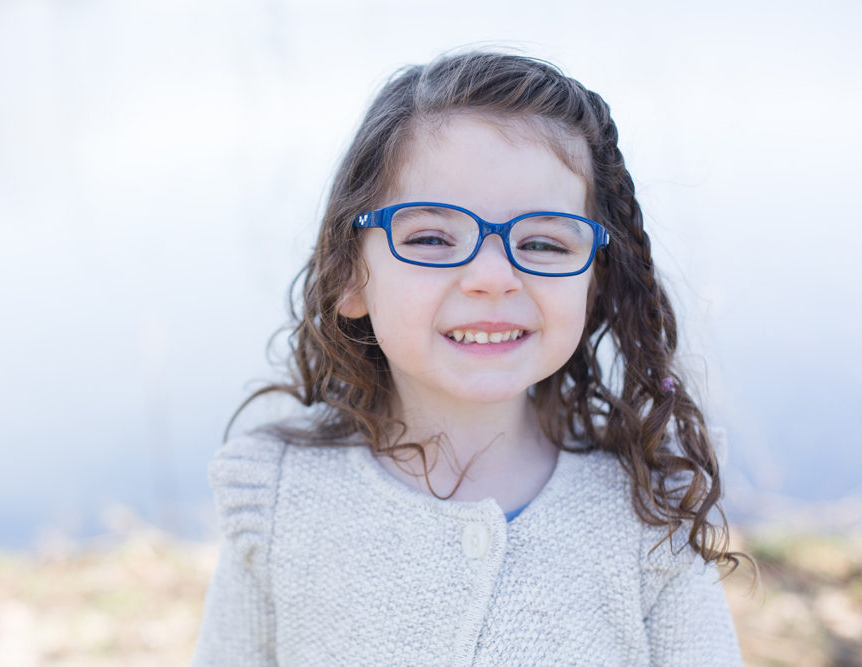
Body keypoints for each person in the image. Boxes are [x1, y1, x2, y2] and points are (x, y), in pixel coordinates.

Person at [193, 50, 744, 665]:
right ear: (350, 274)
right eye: (430, 237)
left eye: (542, 242)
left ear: (594, 283)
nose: (492, 277)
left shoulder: (652, 508)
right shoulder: (279, 500)